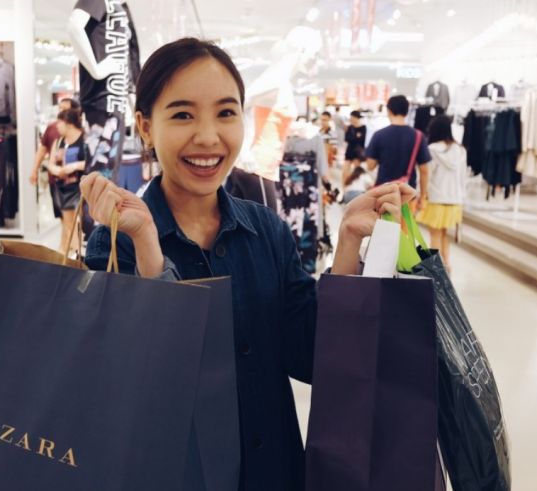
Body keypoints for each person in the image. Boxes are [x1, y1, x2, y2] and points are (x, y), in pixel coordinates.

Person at [79, 38, 413, 490]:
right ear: (144, 125)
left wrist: (349, 243)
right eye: (182, 114)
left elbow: (311, 358)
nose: (208, 137)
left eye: (225, 112)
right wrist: (148, 247)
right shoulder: (112, 243)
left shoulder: (266, 229)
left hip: (273, 470)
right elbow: (139, 383)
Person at [416, 115, 466, 270]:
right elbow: (462, 176)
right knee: (445, 234)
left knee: (435, 234)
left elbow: (427, 175)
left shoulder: (431, 149)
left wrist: (422, 194)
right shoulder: (460, 150)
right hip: (454, 199)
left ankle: (436, 267)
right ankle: (446, 263)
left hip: (436, 198)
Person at [366, 95, 431, 206]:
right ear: (406, 112)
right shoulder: (419, 136)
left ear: (389, 111)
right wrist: (423, 196)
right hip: (407, 193)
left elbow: (370, 165)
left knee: (384, 223)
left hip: (384, 193)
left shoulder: (379, 135)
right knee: (405, 223)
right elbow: (424, 171)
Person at [46, 108, 86, 254]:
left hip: (80, 187)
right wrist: (58, 171)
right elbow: (50, 164)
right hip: (62, 187)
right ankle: (71, 254)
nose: (57, 126)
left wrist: (73, 166)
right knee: (67, 223)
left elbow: (92, 163)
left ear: (69, 124)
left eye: (59, 123)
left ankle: (77, 253)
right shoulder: (58, 142)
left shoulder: (85, 140)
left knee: (75, 223)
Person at [30, 97, 81, 186]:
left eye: (64, 109)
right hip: (56, 181)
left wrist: (74, 166)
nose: (61, 111)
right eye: (60, 108)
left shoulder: (81, 132)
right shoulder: (52, 128)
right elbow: (42, 150)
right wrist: (34, 170)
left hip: (77, 183)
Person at [342, 109, 367, 186]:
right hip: (349, 151)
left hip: (358, 153)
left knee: (357, 172)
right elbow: (346, 139)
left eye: (352, 117)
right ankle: (345, 188)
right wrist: (356, 137)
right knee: (345, 172)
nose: (351, 119)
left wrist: (354, 138)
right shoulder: (349, 127)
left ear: (356, 118)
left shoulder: (363, 128)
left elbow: (362, 140)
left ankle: (357, 187)